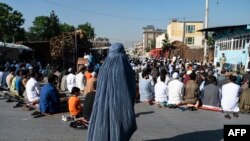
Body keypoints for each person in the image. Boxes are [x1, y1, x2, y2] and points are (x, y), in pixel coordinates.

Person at [87, 43, 137, 141]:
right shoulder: (124, 68)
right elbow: (131, 90)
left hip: (102, 106)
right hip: (119, 108)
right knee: (119, 129)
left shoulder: (102, 69)